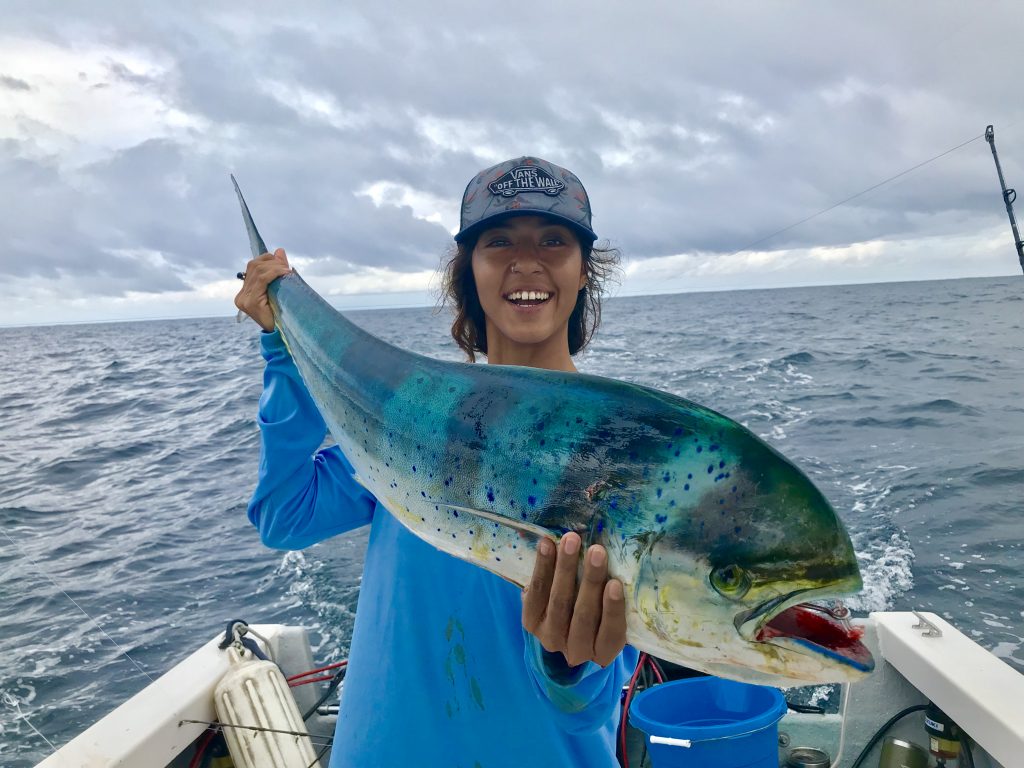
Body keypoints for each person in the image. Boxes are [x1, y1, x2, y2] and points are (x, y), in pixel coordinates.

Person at [234, 157, 639, 767]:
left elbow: (586, 709)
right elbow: (285, 516)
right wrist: (285, 355)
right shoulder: (414, 422)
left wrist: (567, 660)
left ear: (585, 272)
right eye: (497, 241)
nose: (525, 261)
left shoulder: (617, 451)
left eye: (553, 241)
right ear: (468, 272)